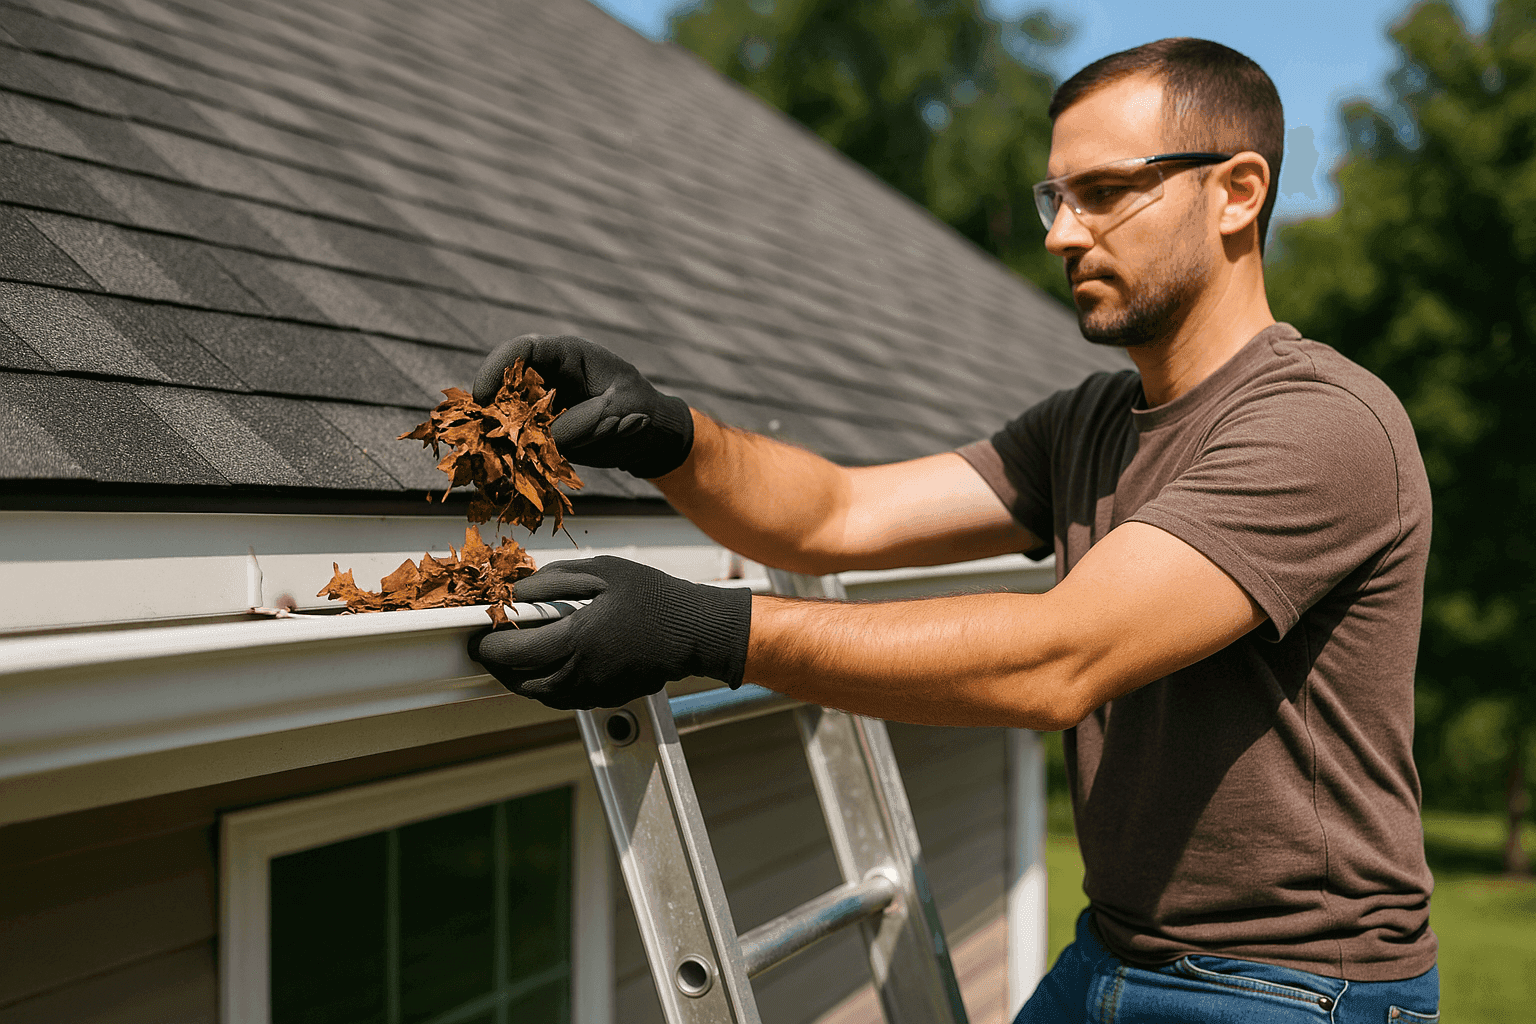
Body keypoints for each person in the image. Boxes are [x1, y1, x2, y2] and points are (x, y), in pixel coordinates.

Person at [468, 38, 1440, 1024]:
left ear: (1237, 192)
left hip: (1296, 987)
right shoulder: (1089, 424)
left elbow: (1055, 661)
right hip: (1110, 950)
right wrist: (667, 435)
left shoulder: (1321, 425)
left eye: (1104, 192)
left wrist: (704, 633)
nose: (1064, 234)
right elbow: (835, 514)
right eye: (1055, 197)